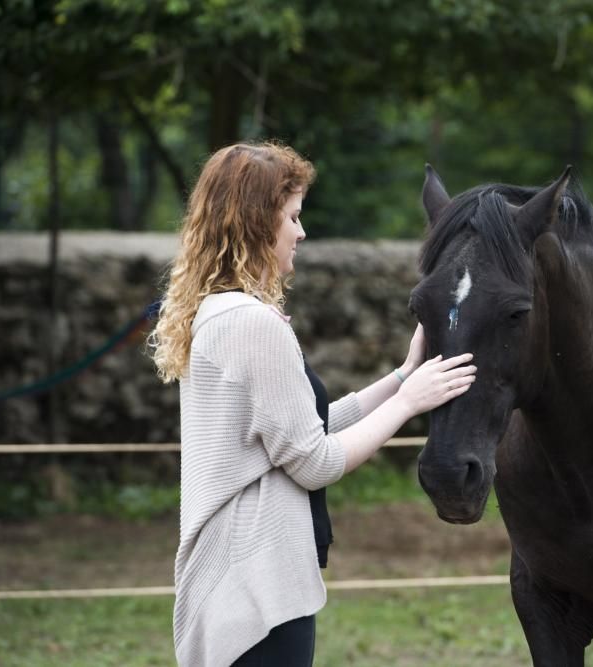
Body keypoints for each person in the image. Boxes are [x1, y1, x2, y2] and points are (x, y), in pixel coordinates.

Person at [148, 141, 475, 667]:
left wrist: (401, 378)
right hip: (256, 593)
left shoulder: (218, 313)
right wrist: (409, 402)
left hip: (234, 586)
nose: (301, 233)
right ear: (258, 223)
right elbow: (314, 461)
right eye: (293, 217)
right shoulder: (254, 325)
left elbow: (304, 427)